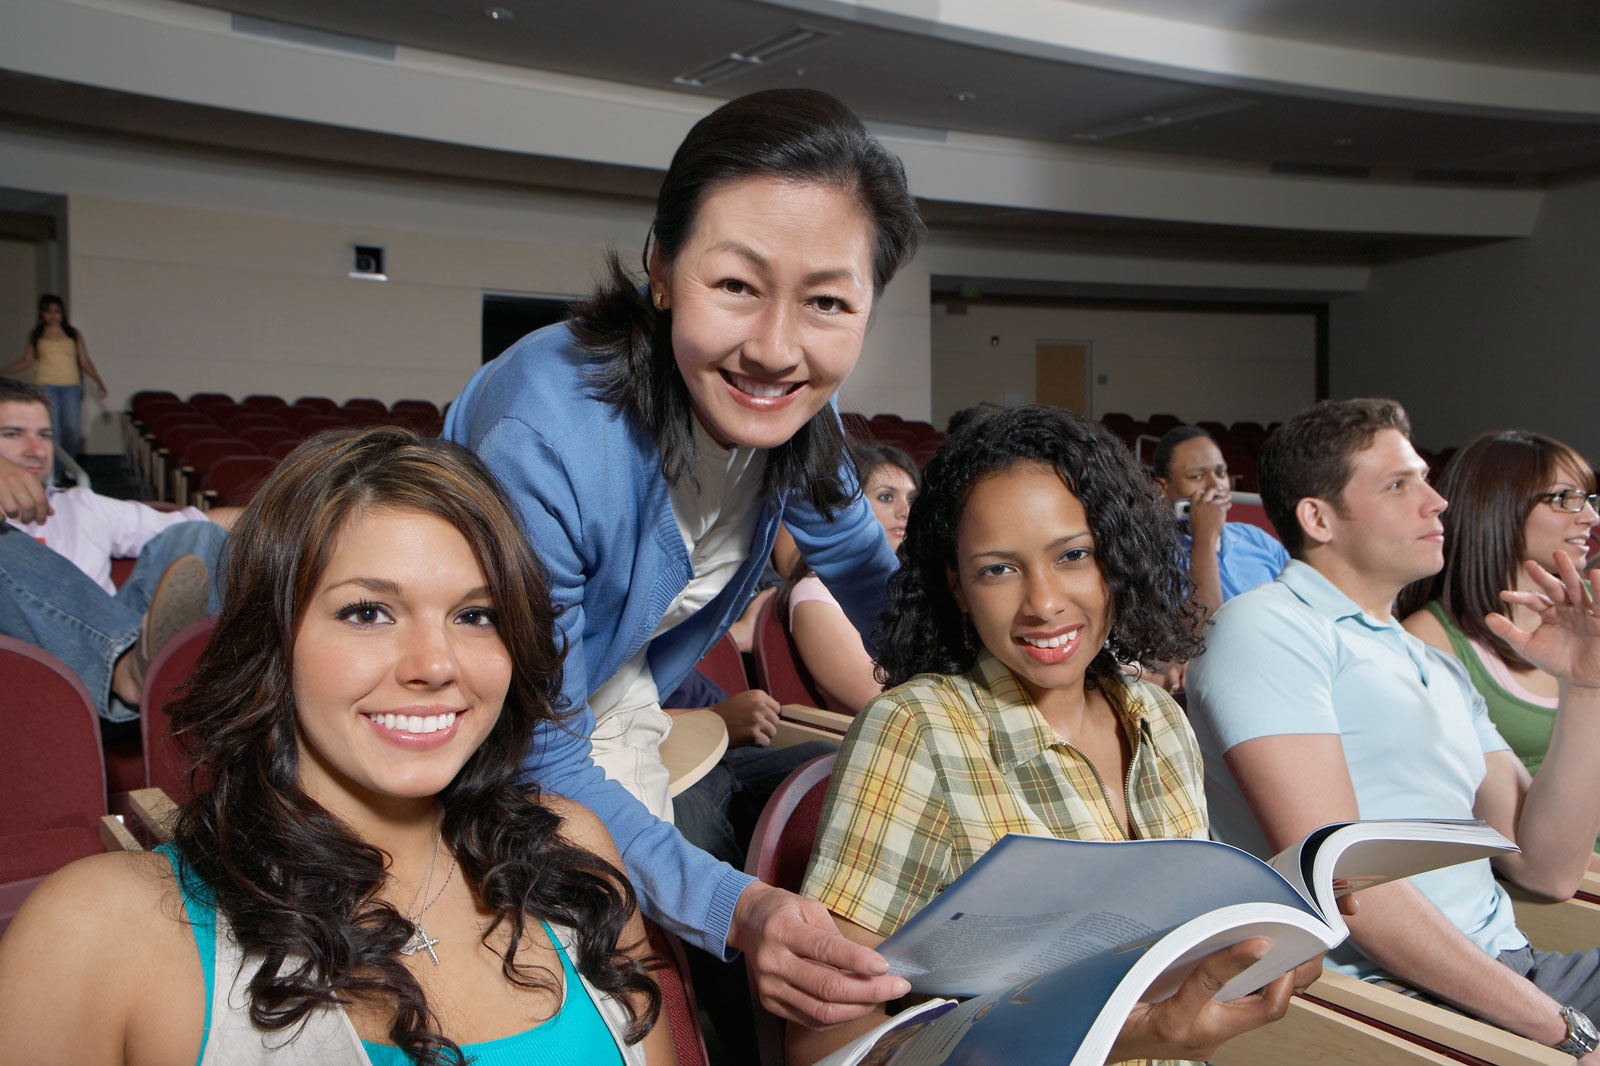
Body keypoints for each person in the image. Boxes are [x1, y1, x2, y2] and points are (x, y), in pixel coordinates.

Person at [445, 87, 921, 1025]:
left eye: (827, 301)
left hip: (609, 680)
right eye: (736, 285)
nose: (777, 349)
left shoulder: (799, 407)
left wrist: (987, 694)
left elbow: (868, 576)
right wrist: (737, 913)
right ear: (661, 267)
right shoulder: (547, 439)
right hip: (503, 716)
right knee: (616, 988)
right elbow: (535, 750)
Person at [0, 428, 674, 1066]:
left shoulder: (572, 853)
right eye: (368, 612)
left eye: (476, 615)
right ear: (273, 641)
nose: (436, 664)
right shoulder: (95, 931)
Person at [793, 405, 1311, 1066]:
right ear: (957, 585)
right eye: (998, 569)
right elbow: (827, 1045)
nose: (1043, 602)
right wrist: (1124, 1033)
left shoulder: (1159, 719)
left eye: (1073, 555)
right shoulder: (919, 730)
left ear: (1116, 558)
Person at [1187, 398, 1600, 1061]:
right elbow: (1346, 880)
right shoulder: (1267, 628)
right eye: (1399, 485)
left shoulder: (1429, 660)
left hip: (1511, 966)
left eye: (1426, 481)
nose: (1436, 503)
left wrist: (1585, 686)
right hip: (1409, 1000)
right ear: (1318, 517)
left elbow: (1546, 869)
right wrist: (1564, 1030)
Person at [1398, 432, 1600, 833]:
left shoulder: (1592, 608)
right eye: (1564, 499)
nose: (1590, 518)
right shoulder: (1430, 640)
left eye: (1589, 500)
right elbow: (1516, 844)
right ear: (1497, 507)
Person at [0, 378, 237, 719]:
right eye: (13, 433)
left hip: (121, 675)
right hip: (25, 676)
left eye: (45, 435)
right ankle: (128, 666)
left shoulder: (81, 504)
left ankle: (160, 672)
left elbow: (199, 524)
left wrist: (301, 512)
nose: (35, 449)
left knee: (198, 535)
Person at [785, 439, 918, 713]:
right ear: (849, 508)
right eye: (886, 497)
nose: (905, 511)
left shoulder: (910, 580)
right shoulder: (814, 594)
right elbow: (885, 704)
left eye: (911, 499)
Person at [1151, 425, 1287, 621]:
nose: (1216, 486)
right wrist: (1205, 538)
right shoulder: (1152, 556)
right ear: (1162, 487)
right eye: (1197, 477)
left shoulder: (1256, 539)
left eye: (1221, 473)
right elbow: (1201, 631)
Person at [2, 293, 108, 459]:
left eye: (57, 311)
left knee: (72, 428)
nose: (53, 315)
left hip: (71, 385)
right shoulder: (37, 335)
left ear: (62, 313)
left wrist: (99, 382)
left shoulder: (73, 334)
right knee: (54, 430)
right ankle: (56, 473)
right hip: (46, 385)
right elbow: (26, 361)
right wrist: (4, 370)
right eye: (48, 311)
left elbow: (84, 361)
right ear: (42, 314)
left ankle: (69, 464)